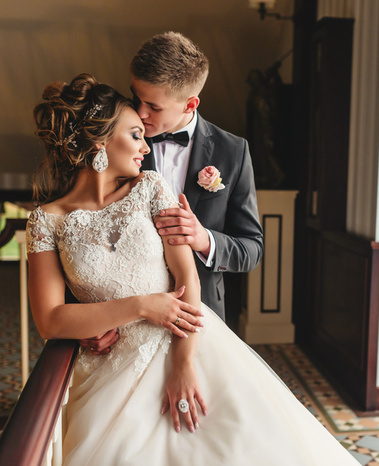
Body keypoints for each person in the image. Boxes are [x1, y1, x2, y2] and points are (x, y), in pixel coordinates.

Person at [27, 74, 358, 465]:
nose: (145, 145)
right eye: (135, 134)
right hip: (107, 368)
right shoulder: (45, 221)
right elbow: (50, 319)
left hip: (185, 343)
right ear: (100, 142)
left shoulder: (151, 187)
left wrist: (182, 367)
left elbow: (187, 280)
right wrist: (140, 306)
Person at [80, 31, 263, 355]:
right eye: (136, 97)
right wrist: (85, 322)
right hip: (123, 326)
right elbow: (80, 233)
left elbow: (252, 249)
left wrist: (203, 238)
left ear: (190, 103)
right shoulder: (116, 139)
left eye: (152, 105)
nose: (139, 111)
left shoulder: (233, 152)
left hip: (201, 320)